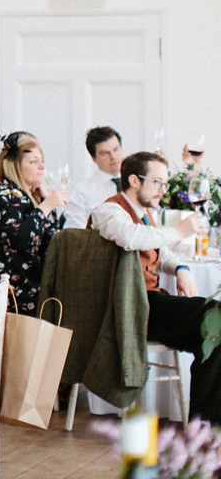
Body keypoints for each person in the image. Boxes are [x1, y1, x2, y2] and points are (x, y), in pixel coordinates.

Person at [90, 151, 221, 422]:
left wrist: (181, 269)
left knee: (214, 332)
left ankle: (206, 426)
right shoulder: (109, 210)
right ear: (134, 181)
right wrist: (180, 231)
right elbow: (129, 237)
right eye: (157, 182)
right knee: (215, 316)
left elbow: (161, 251)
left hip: (149, 303)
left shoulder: (146, 213)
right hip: (127, 306)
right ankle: (204, 427)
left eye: (165, 183)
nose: (163, 190)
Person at [0, 132, 66, 315]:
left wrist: (48, 204)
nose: (42, 166)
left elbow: (53, 243)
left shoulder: (28, 197)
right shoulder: (5, 195)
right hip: (10, 295)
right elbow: (20, 241)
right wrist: (45, 207)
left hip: (30, 289)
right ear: (15, 166)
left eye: (42, 160)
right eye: (33, 161)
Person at [65, 127, 125, 229]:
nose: (113, 157)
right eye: (105, 153)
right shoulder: (82, 191)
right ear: (93, 158)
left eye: (116, 149)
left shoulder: (138, 183)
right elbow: (75, 233)